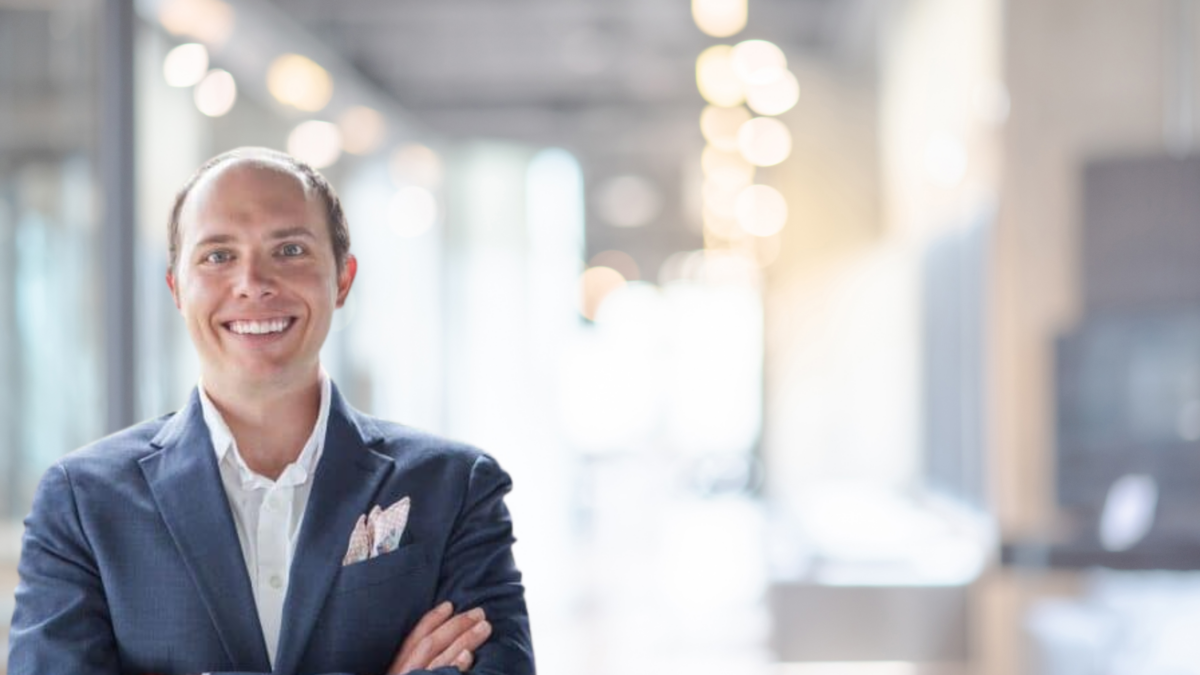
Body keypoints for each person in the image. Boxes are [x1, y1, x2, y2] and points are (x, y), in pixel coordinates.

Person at [8, 147, 535, 675]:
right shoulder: (83, 504)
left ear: (343, 279)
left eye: (288, 249)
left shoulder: (455, 487)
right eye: (218, 256)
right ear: (176, 287)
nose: (253, 282)